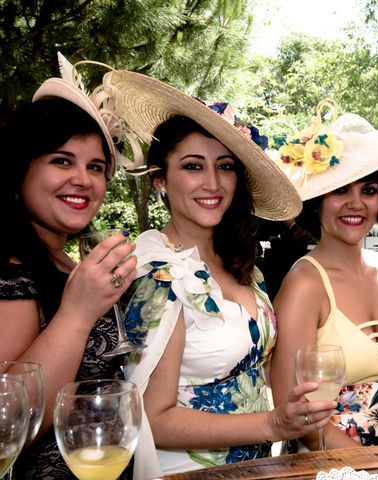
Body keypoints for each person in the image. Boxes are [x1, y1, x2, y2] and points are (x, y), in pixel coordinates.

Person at [109, 71, 336, 478]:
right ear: (160, 180)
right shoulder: (157, 274)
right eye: (193, 166)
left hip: (260, 468)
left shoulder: (243, 264)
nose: (212, 183)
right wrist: (271, 424)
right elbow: (152, 418)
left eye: (225, 166)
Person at [0, 54, 136, 479]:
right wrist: (77, 314)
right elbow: (7, 426)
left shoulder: (61, 262)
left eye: (95, 167)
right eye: (62, 160)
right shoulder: (11, 272)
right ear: (20, 172)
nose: (84, 179)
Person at [270, 101, 378, 450]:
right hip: (329, 456)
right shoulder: (305, 285)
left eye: (368, 190)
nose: (357, 203)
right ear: (317, 202)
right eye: (341, 190)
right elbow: (289, 408)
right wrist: (368, 467)